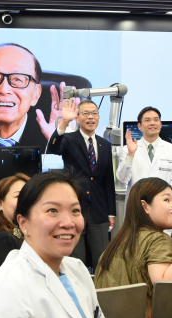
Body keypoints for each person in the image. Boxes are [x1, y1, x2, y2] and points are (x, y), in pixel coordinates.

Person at [0, 171, 131, 318]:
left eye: (75, 210)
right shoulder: (8, 287)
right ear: (23, 223)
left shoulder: (77, 269)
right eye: (52, 211)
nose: (68, 222)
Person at [95, 177, 172, 318]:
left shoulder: (118, 240)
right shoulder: (157, 240)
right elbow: (165, 286)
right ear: (145, 206)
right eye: (167, 200)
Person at [48, 98, 116, 270]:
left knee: (102, 261)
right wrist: (64, 122)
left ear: (98, 117)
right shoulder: (69, 140)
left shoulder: (105, 145)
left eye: (94, 113)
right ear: (77, 118)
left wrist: (111, 212)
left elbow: (108, 181)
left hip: (99, 211)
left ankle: (100, 294)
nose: (90, 117)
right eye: (85, 113)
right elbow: (53, 149)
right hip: (74, 207)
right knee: (75, 260)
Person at [115, 107, 172, 206]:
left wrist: (168, 201)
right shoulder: (127, 149)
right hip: (136, 206)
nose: (152, 123)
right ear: (139, 126)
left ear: (160, 124)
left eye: (156, 120)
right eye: (147, 120)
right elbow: (122, 178)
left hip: (163, 206)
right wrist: (130, 155)